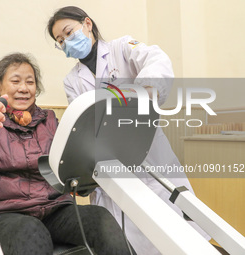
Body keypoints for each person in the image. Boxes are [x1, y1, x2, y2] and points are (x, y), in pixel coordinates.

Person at [47, 6, 210, 255]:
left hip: (148, 153)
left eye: (68, 33)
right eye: (60, 41)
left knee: (174, 229)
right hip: (108, 162)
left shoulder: (121, 48)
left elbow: (157, 59)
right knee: (128, 238)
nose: (67, 43)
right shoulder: (72, 80)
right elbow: (83, 121)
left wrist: (142, 92)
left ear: (87, 24)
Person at [0, 53, 134, 255]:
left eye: (30, 82)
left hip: (54, 208)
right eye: (15, 81)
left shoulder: (49, 120)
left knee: (100, 219)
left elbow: (65, 165)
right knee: (31, 231)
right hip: (1, 212)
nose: (23, 88)